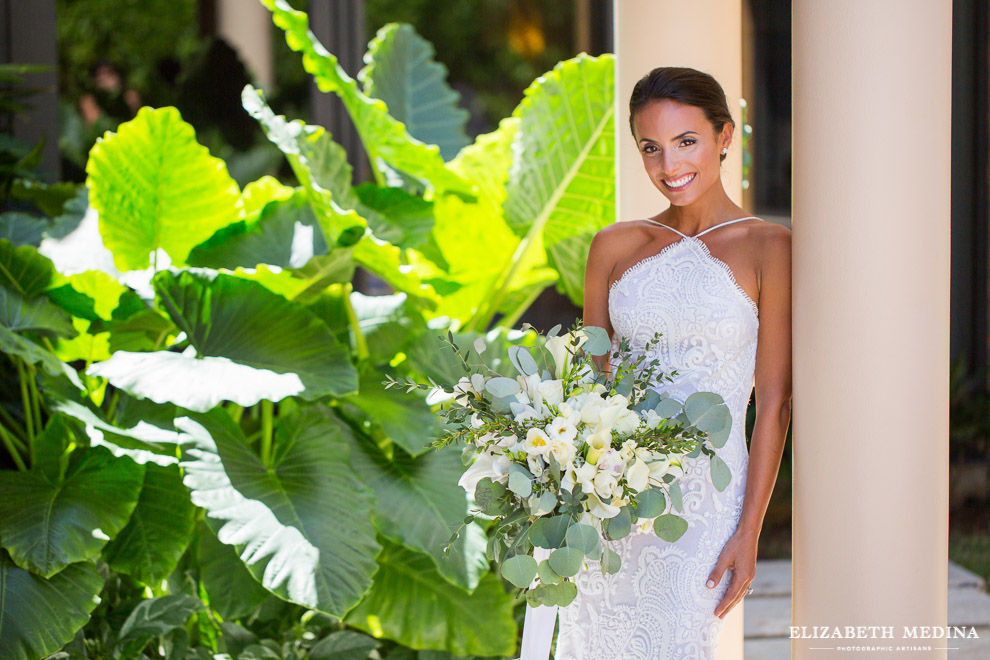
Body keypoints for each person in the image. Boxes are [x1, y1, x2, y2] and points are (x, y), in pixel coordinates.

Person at [554, 66, 793, 659]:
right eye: (651, 148)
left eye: (686, 142)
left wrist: (749, 532)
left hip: (707, 501)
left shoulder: (770, 247)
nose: (669, 166)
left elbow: (776, 401)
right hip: (609, 496)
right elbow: (593, 380)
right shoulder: (613, 245)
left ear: (724, 136)